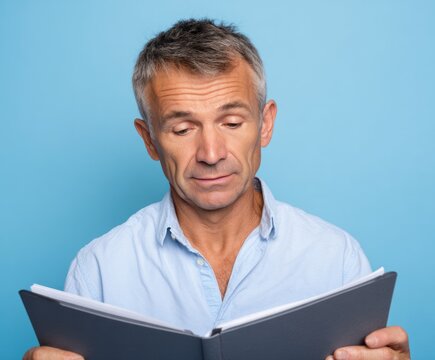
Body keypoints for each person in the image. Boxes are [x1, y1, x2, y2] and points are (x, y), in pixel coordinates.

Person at [23, 19, 410, 360]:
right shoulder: (99, 270)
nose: (211, 153)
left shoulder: (336, 259)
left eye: (231, 122)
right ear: (149, 140)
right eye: (182, 129)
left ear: (265, 124)